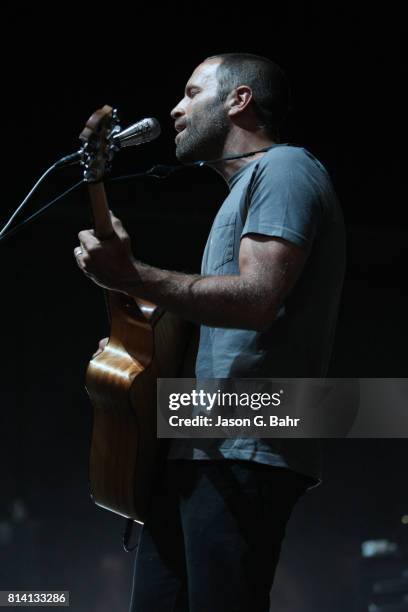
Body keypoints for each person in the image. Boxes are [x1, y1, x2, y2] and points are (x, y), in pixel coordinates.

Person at [74, 53, 345, 612]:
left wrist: (132, 275)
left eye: (192, 93)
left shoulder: (287, 169)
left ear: (238, 100)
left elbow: (256, 301)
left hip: (242, 445)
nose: (175, 108)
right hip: (201, 446)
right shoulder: (241, 194)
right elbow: (217, 327)